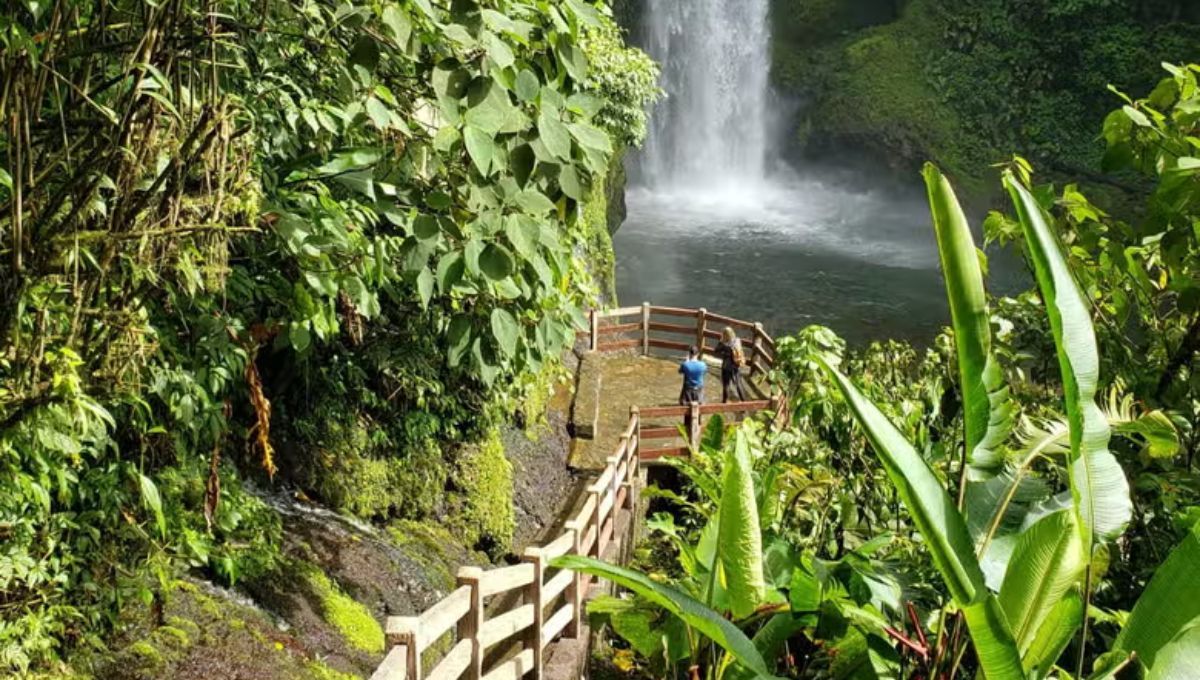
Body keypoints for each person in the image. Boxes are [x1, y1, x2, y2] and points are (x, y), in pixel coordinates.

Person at [678, 345, 707, 434]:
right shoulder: (703, 365)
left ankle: (687, 431)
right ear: (698, 354)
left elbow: (680, 371)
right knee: (699, 408)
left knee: (687, 409)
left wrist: (687, 361)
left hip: (688, 389)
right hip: (699, 389)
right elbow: (704, 372)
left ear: (689, 353)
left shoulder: (685, 365)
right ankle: (698, 429)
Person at [715, 326, 747, 403]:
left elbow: (716, 351)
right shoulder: (737, 340)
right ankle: (744, 401)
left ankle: (724, 401)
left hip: (726, 366)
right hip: (736, 365)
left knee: (726, 384)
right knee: (738, 384)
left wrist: (721, 341)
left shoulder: (724, 344)